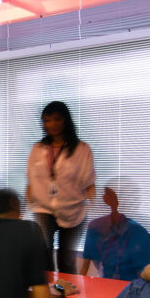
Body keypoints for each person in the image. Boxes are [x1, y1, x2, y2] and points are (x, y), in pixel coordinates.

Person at [26, 101, 94, 274]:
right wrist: (27, 206)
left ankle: (65, 297)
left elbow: (89, 183)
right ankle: (45, 296)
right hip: (43, 207)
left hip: (73, 209)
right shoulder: (38, 148)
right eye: (47, 120)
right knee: (42, 254)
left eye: (56, 119)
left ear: (65, 120)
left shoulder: (82, 149)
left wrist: (94, 210)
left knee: (67, 260)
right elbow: (31, 181)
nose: (51, 124)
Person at [78, 185, 150, 280]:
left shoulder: (139, 234)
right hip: (107, 284)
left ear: (114, 205)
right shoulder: (94, 227)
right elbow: (85, 267)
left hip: (134, 287)